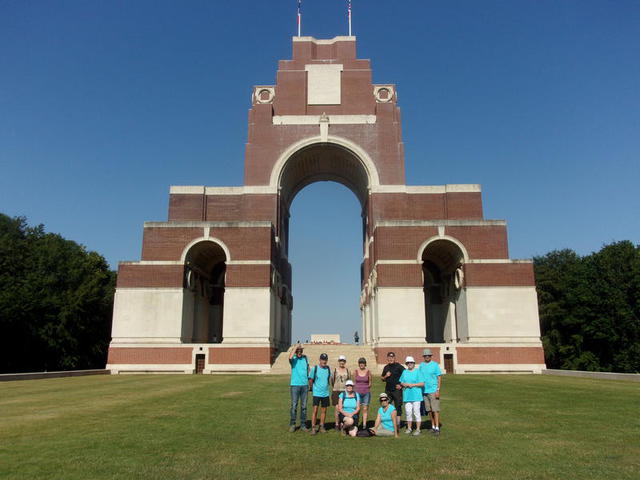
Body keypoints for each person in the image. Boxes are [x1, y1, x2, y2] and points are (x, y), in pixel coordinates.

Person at [419, 348, 442, 435]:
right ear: (423, 357)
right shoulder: (421, 365)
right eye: (425, 356)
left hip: (433, 390)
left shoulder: (435, 365)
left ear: (431, 356)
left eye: (428, 355)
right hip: (424, 391)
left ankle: (437, 428)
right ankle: (432, 426)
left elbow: (439, 377)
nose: (427, 357)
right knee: (429, 410)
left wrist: (438, 390)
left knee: (435, 410)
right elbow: (419, 377)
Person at [399, 356, 424, 436]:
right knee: (408, 413)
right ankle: (409, 428)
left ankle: (418, 429)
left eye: (411, 362)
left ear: (414, 363)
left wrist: (412, 385)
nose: (409, 364)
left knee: (416, 413)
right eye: (408, 363)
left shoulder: (418, 372)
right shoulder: (404, 372)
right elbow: (401, 382)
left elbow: (422, 383)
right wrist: (404, 384)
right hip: (407, 396)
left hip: (416, 396)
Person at [308, 353, 332, 435]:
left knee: (324, 411)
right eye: (322, 359)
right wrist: (311, 388)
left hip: (325, 393)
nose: (324, 361)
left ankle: (322, 426)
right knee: (315, 410)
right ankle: (313, 427)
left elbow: (329, 378)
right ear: (320, 360)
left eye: (325, 360)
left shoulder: (328, 369)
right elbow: (310, 379)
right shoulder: (315, 368)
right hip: (317, 393)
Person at [288, 343, 309, 432]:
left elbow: (307, 369)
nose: (300, 352)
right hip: (295, 385)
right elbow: (290, 357)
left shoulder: (305, 358)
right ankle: (292, 424)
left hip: (304, 385)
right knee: (294, 406)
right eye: (298, 351)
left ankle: (303, 424)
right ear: (296, 352)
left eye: (301, 351)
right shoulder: (294, 359)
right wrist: (296, 347)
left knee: (304, 406)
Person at [380, 351, 404, 429]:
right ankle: (386, 422)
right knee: (386, 405)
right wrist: (386, 376)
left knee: (398, 406)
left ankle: (397, 424)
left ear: (394, 358)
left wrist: (401, 385)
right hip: (388, 390)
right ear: (387, 358)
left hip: (397, 390)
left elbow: (406, 374)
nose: (391, 359)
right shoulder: (386, 367)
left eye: (392, 357)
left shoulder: (398, 366)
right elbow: (382, 378)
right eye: (389, 357)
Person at [331, 355, 351, 429]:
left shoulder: (348, 370)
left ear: (345, 362)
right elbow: (332, 381)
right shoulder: (335, 370)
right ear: (338, 361)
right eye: (340, 361)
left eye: (343, 361)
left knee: (343, 408)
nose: (342, 362)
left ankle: (343, 423)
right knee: (337, 408)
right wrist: (335, 387)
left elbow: (349, 381)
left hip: (344, 391)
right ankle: (336, 424)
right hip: (336, 390)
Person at [354, 357, 372, 428]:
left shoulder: (368, 372)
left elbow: (370, 383)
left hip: (366, 393)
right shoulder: (355, 371)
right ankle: (356, 424)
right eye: (360, 363)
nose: (361, 364)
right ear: (359, 364)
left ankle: (364, 425)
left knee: (365, 409)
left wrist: (365, 388)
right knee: (357, 409)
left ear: (365, 364)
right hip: (357, 393)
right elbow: (354, 382)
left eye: (363, 363)